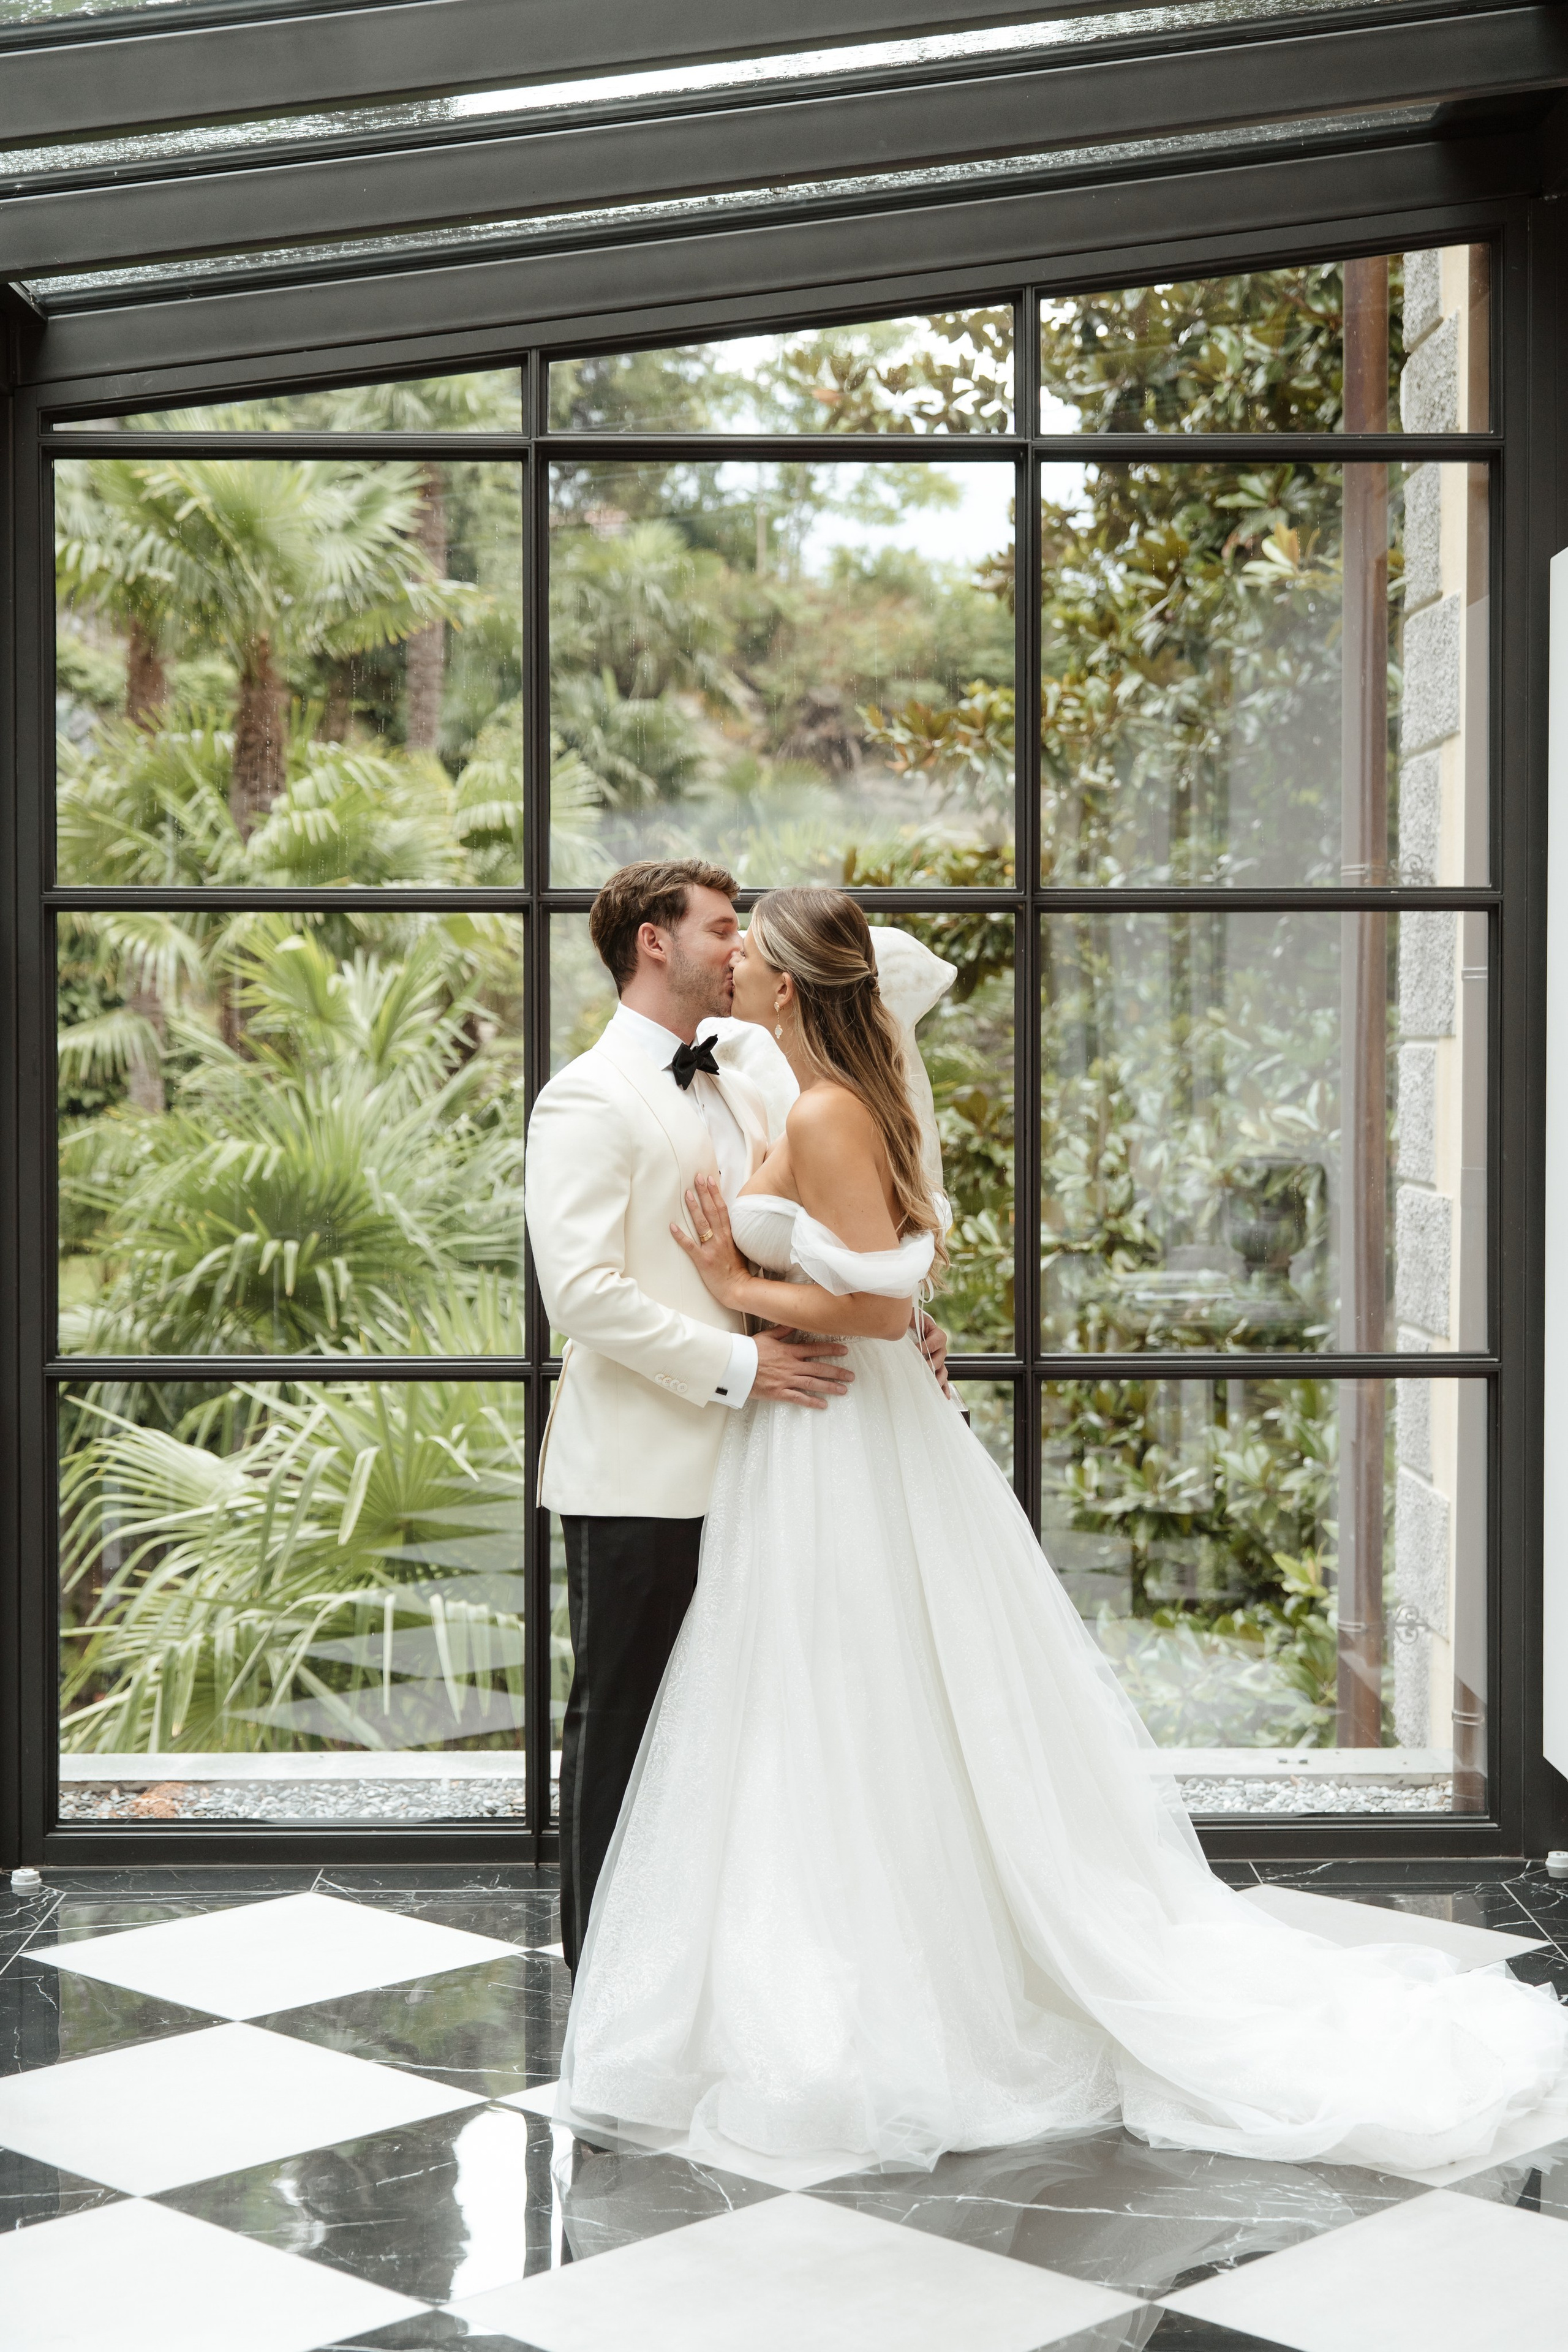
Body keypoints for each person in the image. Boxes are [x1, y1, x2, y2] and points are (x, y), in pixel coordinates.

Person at [558, 883, 1567, 2178]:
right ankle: (821, 1962)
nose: (733, 963)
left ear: (790, 987)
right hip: (794, 1442)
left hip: (832, 1436)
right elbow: (875, 1264)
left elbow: (876, 1297)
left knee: (855, 1691)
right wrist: (782, 1303)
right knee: (816, 1702)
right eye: (724, 938)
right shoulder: (766, 1077)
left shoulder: (812, 1102)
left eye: (749, 949)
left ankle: (901, 1986)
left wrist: (733, 1285)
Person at [524, 859, 948, 1970]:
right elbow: (583, 1296)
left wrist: (898, 1323)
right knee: (625, 1722)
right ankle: (608, 1975)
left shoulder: (757, 1080)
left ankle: (722, 1975)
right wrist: (742, 1367)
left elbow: (843, 1231)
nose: (736, 949)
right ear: (654, 944)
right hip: (649, 1469)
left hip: (785, 1468)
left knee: (753, 1732)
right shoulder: (585, 1097)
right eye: (721, 929)